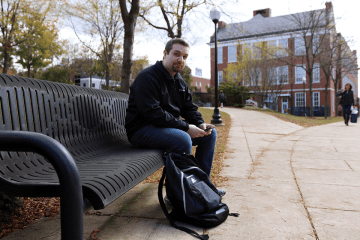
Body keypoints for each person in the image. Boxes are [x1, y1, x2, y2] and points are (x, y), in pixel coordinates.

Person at [125, 38, 225, 197]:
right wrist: (186, 127)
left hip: (163, 128)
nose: (180, 59)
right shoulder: (148, 77)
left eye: (184, 57)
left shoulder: (180, 82)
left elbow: (189, 108)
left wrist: (199, 123)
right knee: (183, 139)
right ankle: (176, 195)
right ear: (165, 54)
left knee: (210, 134)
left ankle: (202, 187)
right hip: (141, 130)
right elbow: (153, 114)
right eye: (177, 54)